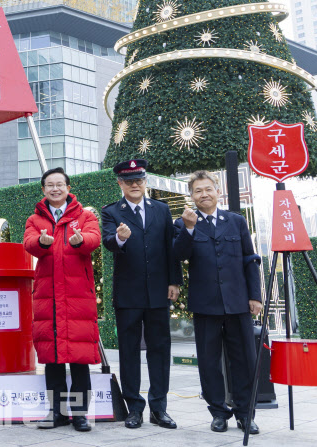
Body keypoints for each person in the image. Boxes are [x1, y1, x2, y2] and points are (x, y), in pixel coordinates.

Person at [173, 170, 262, 435]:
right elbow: (178, 255)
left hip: (237, 303)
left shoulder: (235, 221)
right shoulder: (184, 223)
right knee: (209, 363)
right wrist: (188, 229)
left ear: (217, 191)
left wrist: (255, 296)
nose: (204, 195)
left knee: (244, 360)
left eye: (208, 189)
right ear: (191, 196)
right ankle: (218, 413)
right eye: (197, 191)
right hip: (206, 304)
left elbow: (250, 259)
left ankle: (246, 414)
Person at [101, 159, 182, 430]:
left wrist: (175, 281)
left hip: (159, 292)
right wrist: (121, 238)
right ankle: (134, 407)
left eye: (139, 179)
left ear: (145, 181)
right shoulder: (112, 211)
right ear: (120, 184)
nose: (135, 185)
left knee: (160, 350)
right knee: (129, 352)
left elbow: (171, 249)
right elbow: (109, 242)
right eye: (129, 181)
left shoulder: (161, 209)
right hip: (128, 294)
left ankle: (159, 408)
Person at [23, 167, 101, 432]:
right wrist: (43, 243)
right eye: (50, 185)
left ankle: (79, 414)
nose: (55, 189)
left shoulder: (85, 216)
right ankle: (55, 412)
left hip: (78, 299)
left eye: (60, 184)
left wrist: (80, 241)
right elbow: (29, 243)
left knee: (78, 359)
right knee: (53, 359)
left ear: (68, 187)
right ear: (43, 189)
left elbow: (93, 239)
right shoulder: (35, 219)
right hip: (49, 299)